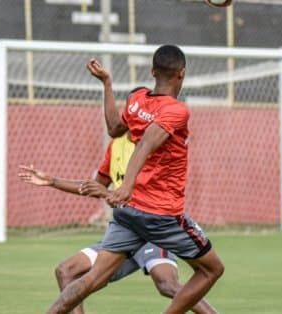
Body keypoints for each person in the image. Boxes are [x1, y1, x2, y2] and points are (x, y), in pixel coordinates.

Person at [47, 45, 224, 314]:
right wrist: (127, 186)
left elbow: (114, 128)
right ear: (182, 74)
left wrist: (107, 83)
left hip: (129, 213)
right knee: (212, 269)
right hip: (162, 214)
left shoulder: (138, 99)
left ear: (153, 71)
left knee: (90, 279)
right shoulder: (177, 111)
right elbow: (145, 146)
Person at [19, 132, 216, 314]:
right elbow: (95, 186)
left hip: (152, 233)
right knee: (67, 270)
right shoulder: (116, 145)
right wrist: (53, 181)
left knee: (167, 284)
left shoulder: (154, 146)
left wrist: (109, 194)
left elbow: (147, 201)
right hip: (125, 231)